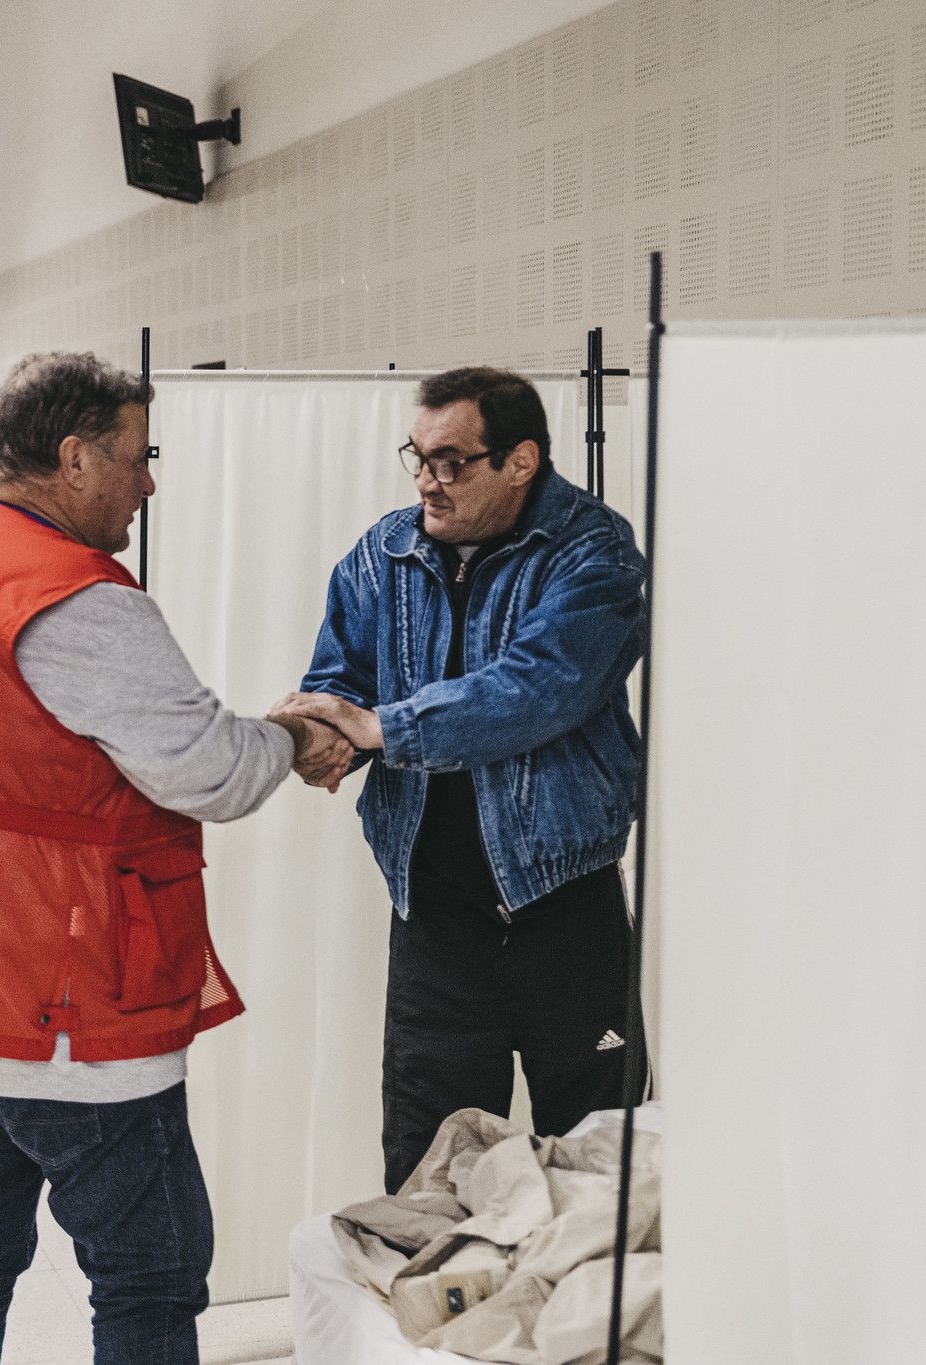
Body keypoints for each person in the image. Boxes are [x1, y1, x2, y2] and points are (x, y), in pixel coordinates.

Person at [0, 352, 351, 1365]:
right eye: (137, 457)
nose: (146, 482)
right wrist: (296, 739)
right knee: (150, 1273)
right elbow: (208, 771)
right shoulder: (72, 598)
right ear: (75, 456)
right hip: (59, 1006)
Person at [274, 366, 649, 1195]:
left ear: (520, 461)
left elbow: (537, 688)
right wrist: (318, 735)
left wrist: (382, 728)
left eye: (449, 462)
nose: (425, 481)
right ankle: (429, 1329)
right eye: (417, 455)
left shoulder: (593, 551)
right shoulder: (383, 556)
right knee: (429, 1179)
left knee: (601, 1177)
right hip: (436, 926)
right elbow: (344, 682)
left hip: (567, 913)